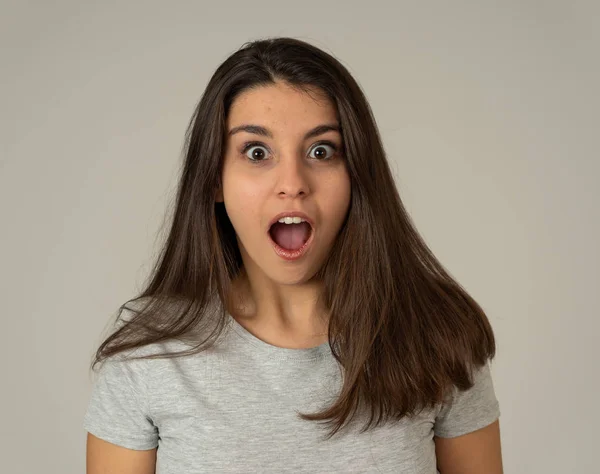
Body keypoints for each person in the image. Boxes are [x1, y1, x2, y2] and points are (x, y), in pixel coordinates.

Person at [84, 37, 503, 474]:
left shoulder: (435, 336)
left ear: (357, 173)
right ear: (214, 180)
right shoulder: (149, 353)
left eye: (321, 151)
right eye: (257, 152)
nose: (292, 182)